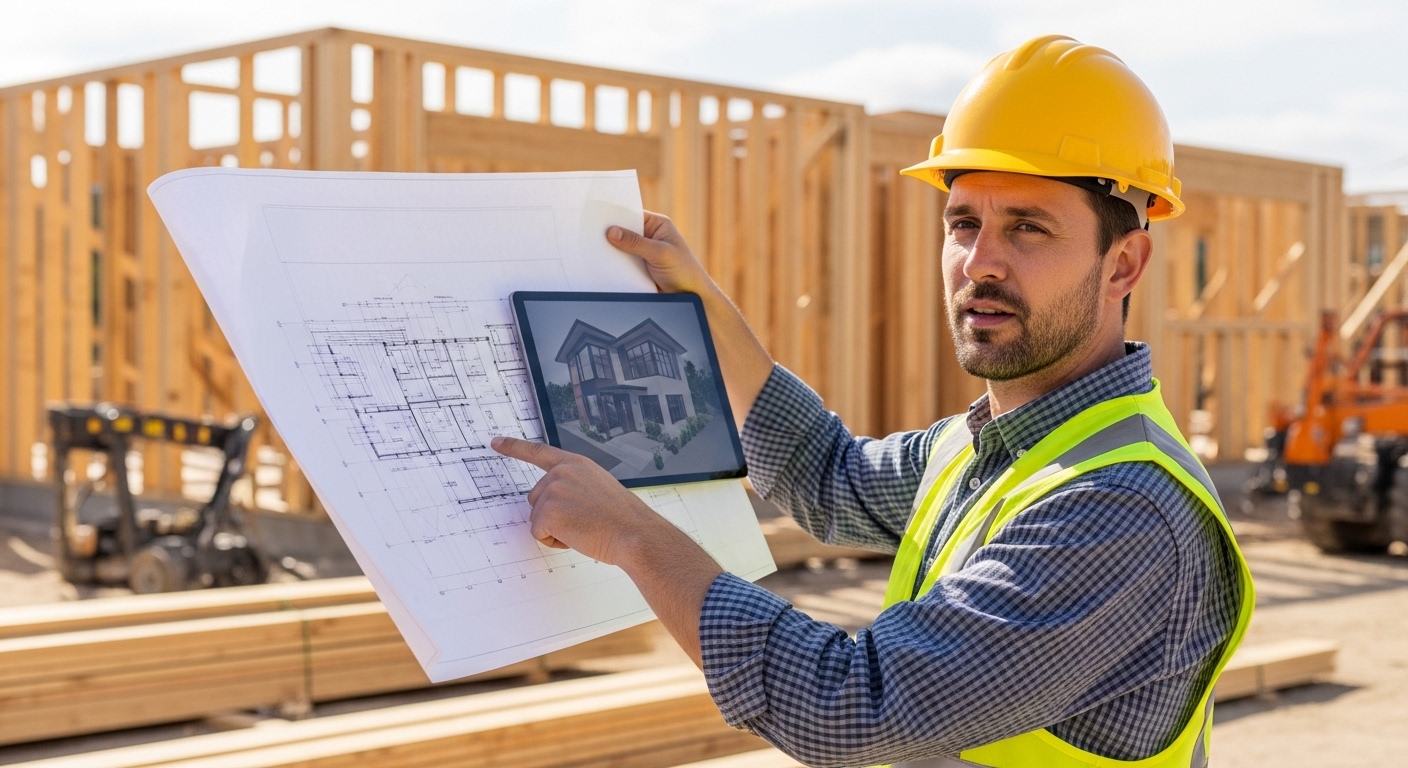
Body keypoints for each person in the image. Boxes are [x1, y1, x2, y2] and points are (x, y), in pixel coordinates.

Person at [492, 35, 1253, 768]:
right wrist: (704, 307)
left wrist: (633, 536)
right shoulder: (988, 448)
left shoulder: (1119, 505)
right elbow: (827, 476)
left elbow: (852, 703)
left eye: (1028, 227)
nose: (980, 263)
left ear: (1125, 263)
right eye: (964, 223)